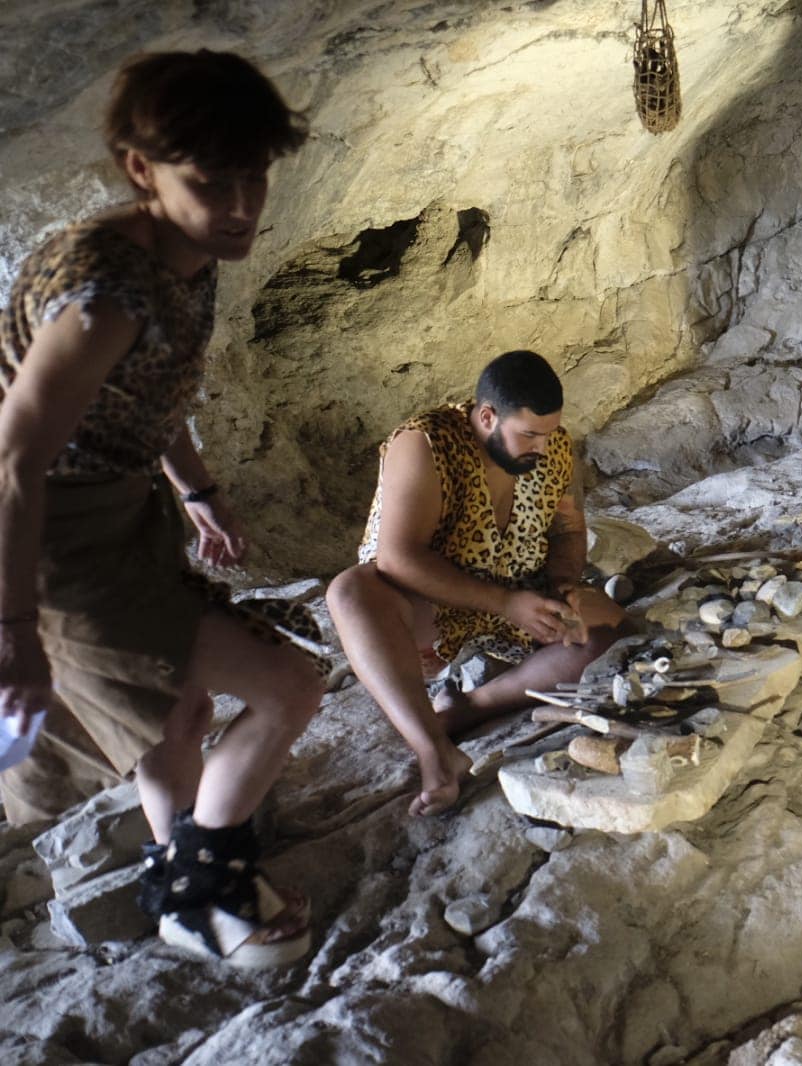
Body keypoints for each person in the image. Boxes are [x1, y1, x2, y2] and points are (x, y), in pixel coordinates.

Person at [0, 51, 324, 967]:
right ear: (141, 169)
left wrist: (195, 490)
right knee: (289, 688)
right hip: (53, 536)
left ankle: (186, 888)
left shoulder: (187, 247)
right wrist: (14, 626)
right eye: (211, 181)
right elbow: (14, 459)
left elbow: (148, 393)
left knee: (175, 715)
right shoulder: (105, 296)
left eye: (254, 175)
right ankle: (202, 877)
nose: (241, 205)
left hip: (118, 509)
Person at [327, 350, 627, 817]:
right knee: (350, 592)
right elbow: (397, 558)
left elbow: (568, 529)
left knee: (602, 638)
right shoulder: (425, 442)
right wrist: (506, 603)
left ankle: (463, 712)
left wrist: (566, 588)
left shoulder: (553, 447)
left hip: (518, 599)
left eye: (548, 434)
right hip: (434, 605)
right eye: (529, 434)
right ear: (487, 416)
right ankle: (435, 750)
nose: (543, 448)